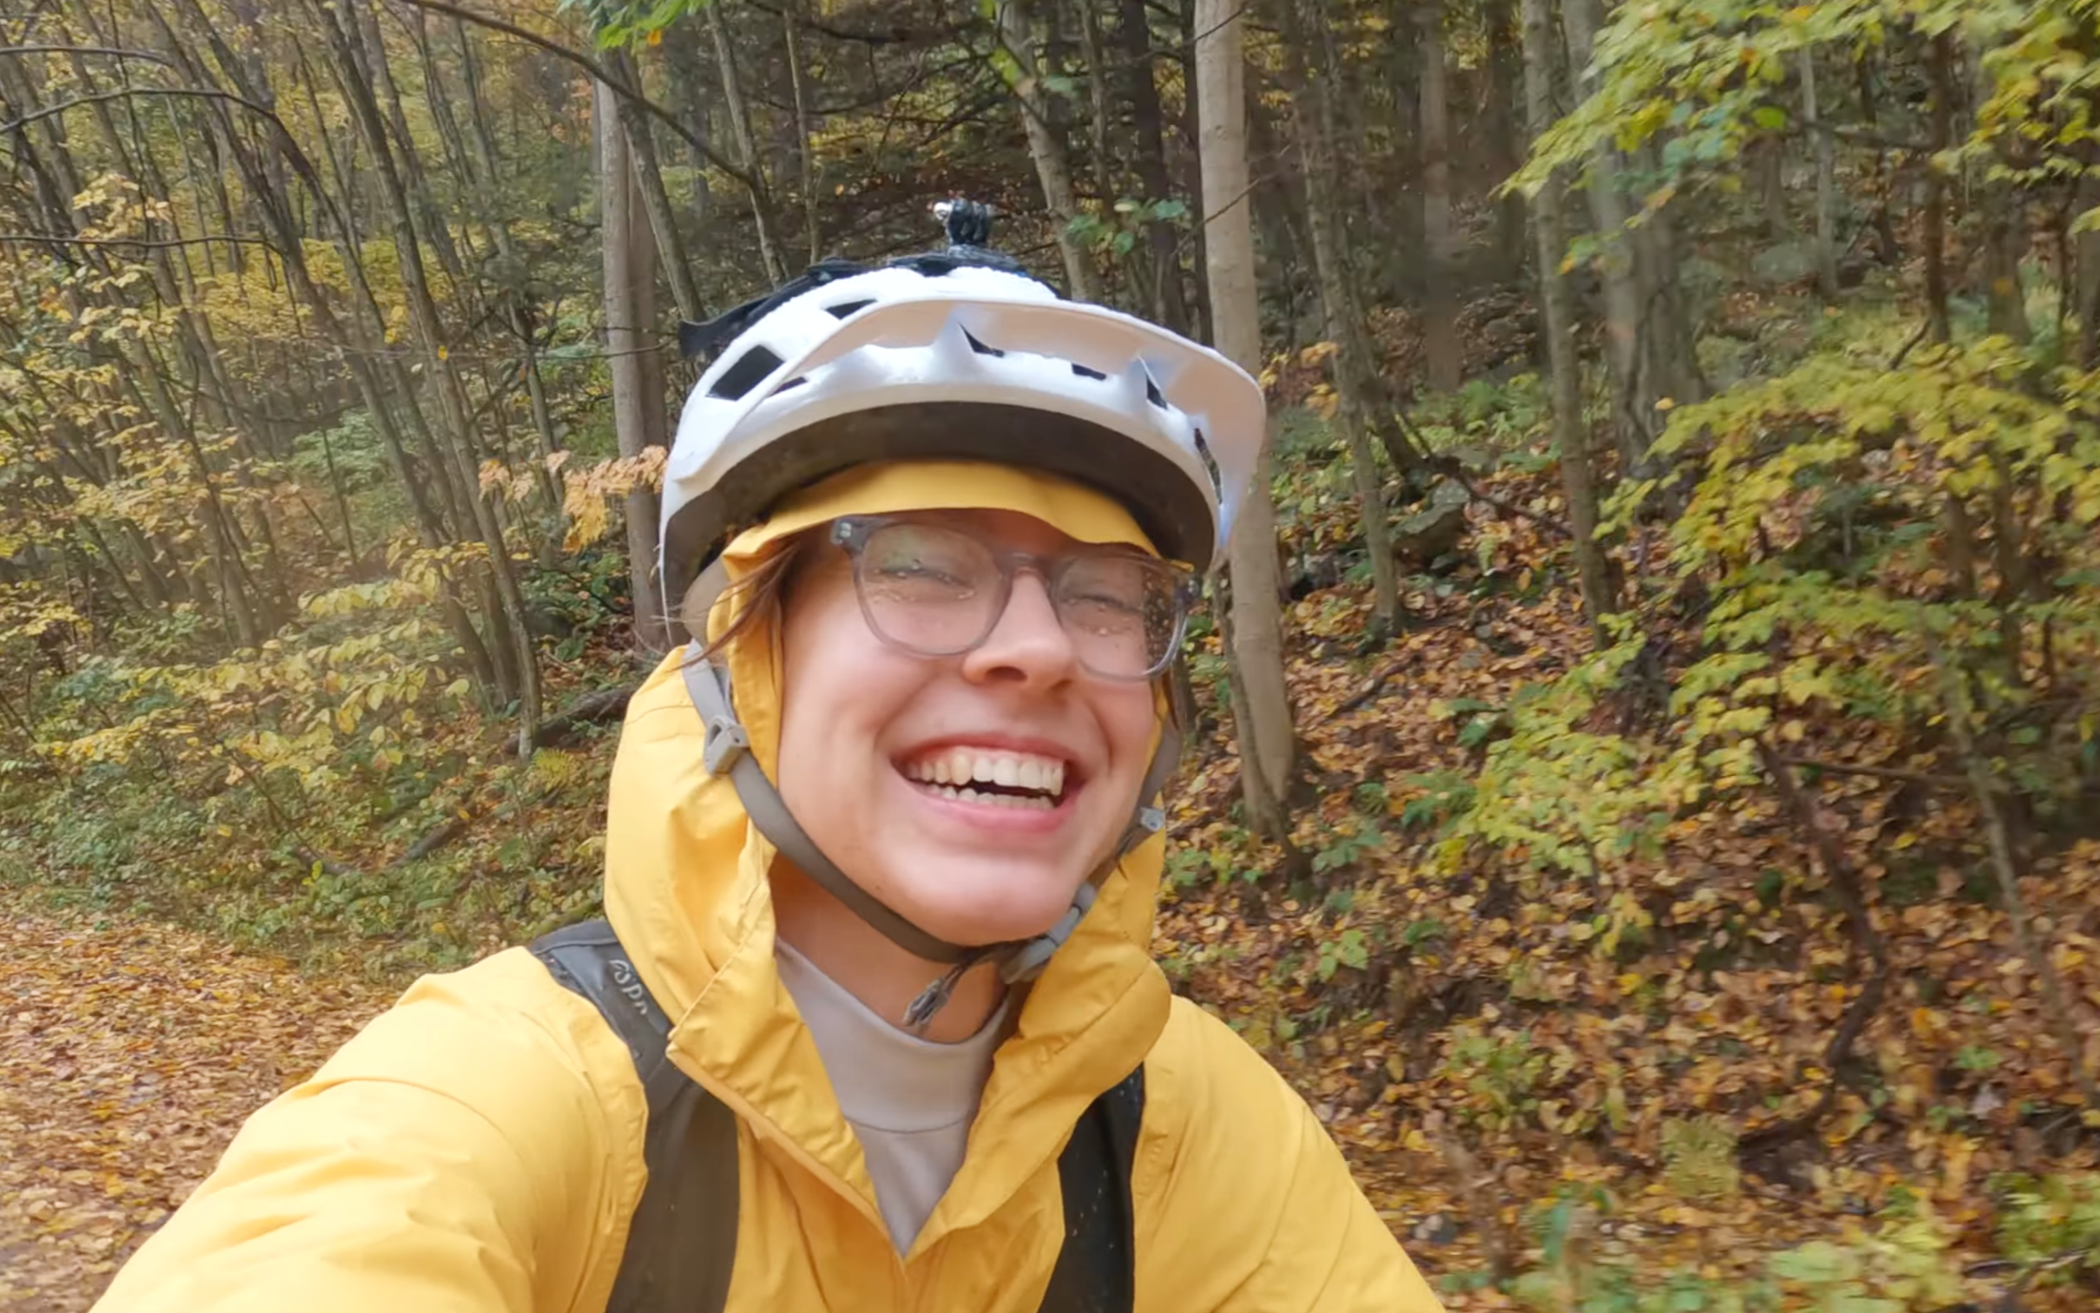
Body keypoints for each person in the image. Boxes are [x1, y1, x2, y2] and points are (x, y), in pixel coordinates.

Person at [95, 204, 1446, 1313]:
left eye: (1108, 597)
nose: (1038, 650)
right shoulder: (506, 1098)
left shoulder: (1179, 1120)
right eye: (920, 565)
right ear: (746, 654)